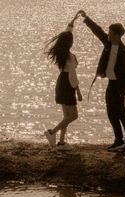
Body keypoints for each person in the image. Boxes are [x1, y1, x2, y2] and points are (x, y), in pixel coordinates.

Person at [78, 10, 125, 153]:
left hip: (120, 86)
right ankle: (119, 140)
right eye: (109, 33)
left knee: (121, 113)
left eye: (111, 33)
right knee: (110, 112)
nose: (108, 35)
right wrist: (86, 18)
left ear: (118, 36)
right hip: (111, 83)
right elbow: (97, 31)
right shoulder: (108, 43)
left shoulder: (124, 52)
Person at [44, 13, 83, 150]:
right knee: (73, 115)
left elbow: (67, 32)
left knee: (66, 116)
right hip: (67, 83)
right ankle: (52, 132)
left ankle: (61, 142)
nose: (73, 40)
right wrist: (78, 92)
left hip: (61, 82)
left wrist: (73, 20)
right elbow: (73, 76)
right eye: (72, 40)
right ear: (70, 43)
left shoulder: (61, 52)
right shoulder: (70, 57)